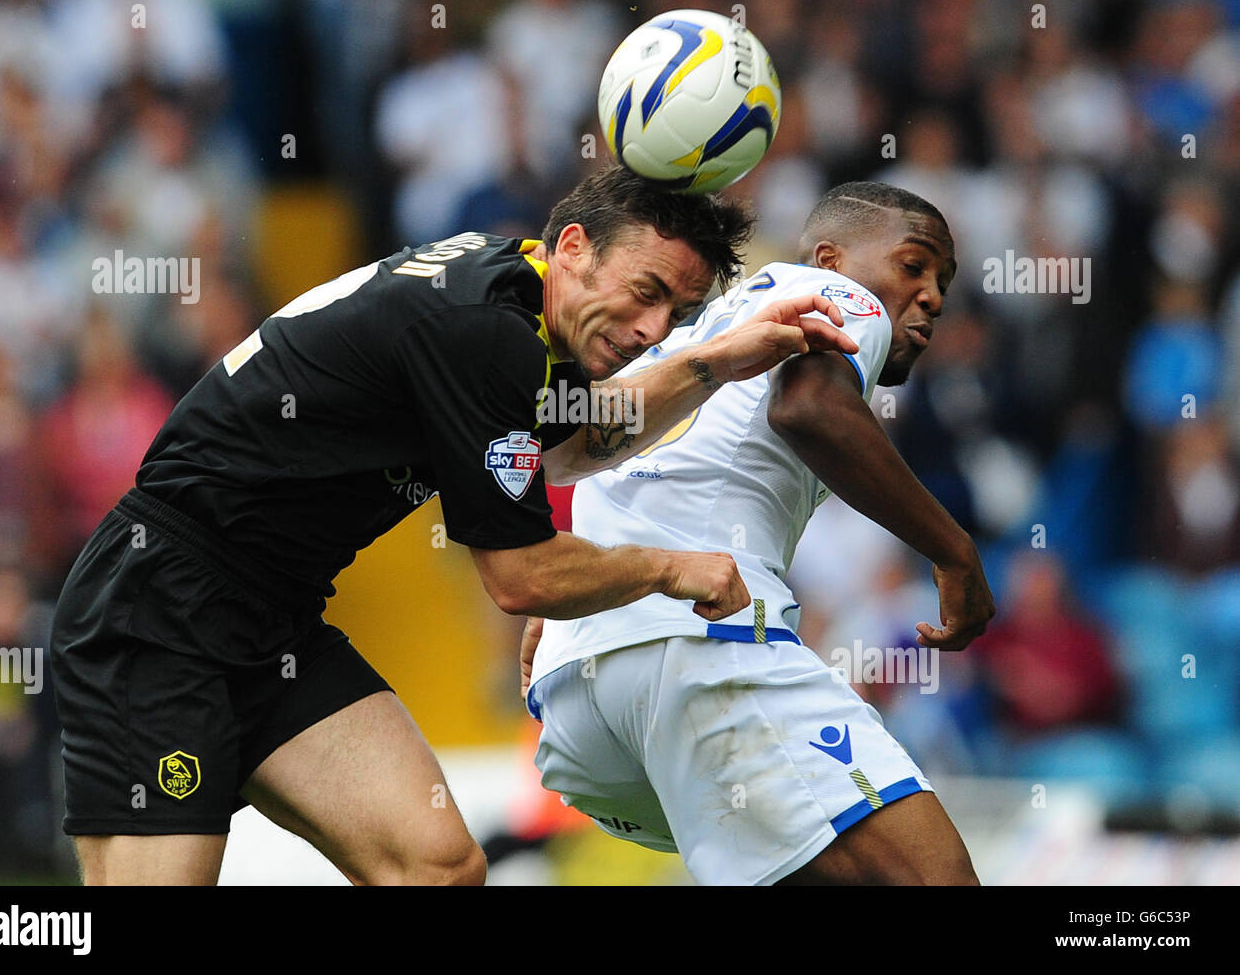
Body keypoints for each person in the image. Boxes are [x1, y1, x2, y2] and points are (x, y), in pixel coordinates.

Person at [49, 164, 860, 886]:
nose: (654, 329)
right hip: (157, 609)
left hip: (275, 624)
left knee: (436, 865)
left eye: (679, 312)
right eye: (647, 292)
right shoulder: (484, 333)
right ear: (573, 244)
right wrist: (672, 569)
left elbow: (577, 442)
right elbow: (521, 576)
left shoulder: (509, 294)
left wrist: (715, 359)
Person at [522, 181, 996, 886]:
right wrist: (955, 553)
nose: (930, 294)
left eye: (942, 283)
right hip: (694, 648)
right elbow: (807, 408)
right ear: (833, 257)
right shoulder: (834, 296)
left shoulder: (695, 336)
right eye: (913, 264)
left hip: (578, 699)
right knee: (934, 876)